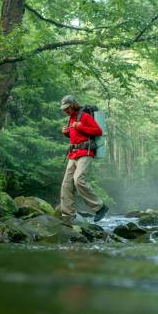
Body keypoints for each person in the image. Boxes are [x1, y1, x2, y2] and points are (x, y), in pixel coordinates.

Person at [59, 94, 109, 222]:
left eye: (67, 108)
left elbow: (98, 131)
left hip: (85, 152)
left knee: (78, 180)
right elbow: (75, 137)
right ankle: (67, 215)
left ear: (73, 105)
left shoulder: (84, 116)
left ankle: (100, 207)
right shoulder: (70, 119)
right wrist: (67, 133)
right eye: (64, 109)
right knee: (66, 184)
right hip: (73, 153)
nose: (65, 111)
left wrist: (80, 126)